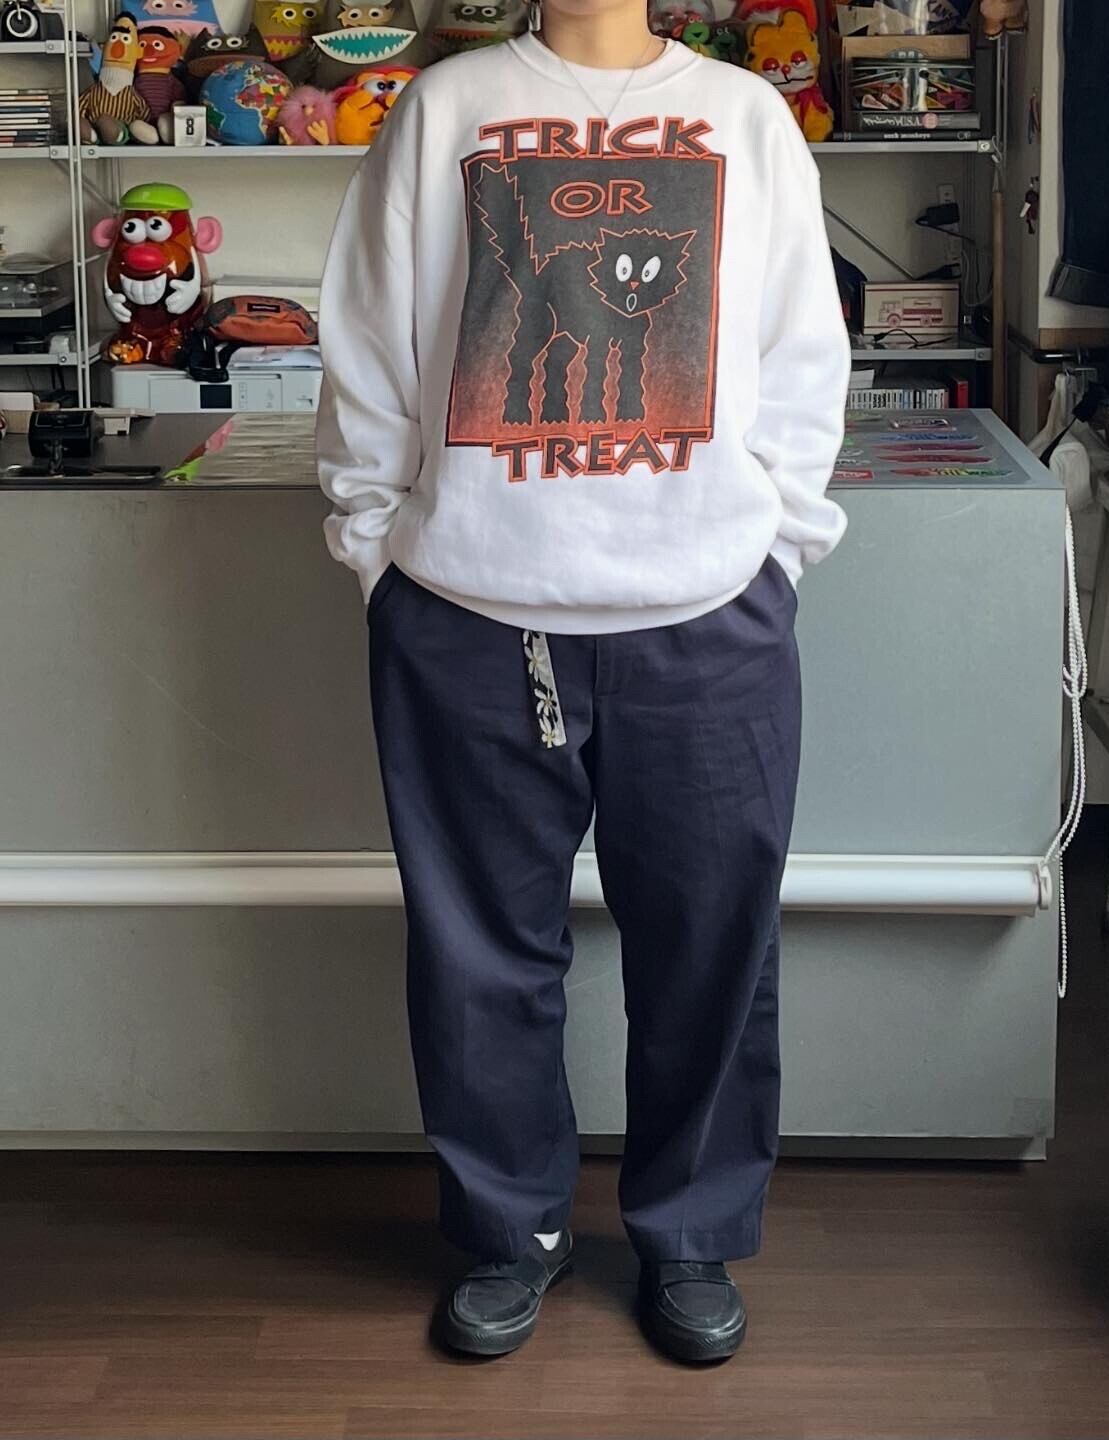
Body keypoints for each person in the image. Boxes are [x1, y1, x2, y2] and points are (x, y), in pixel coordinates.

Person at [315, 0, 849, 1364]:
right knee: (479, 955)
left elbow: (803, 354)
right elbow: (368, 338)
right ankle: (511, 1232)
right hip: (467, 613)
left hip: (709, 615)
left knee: (712, 947)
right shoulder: (444, 108)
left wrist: (776, 551)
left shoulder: (746, 117)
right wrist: (381, 552)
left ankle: (691, 1234)